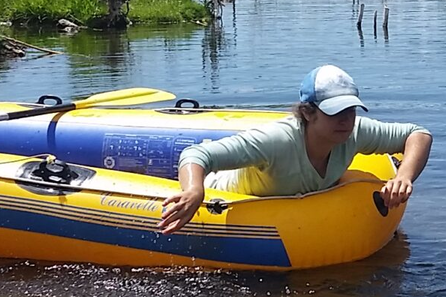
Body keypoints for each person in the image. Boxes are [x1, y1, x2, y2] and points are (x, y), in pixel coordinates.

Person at [159, 64, 431, 233]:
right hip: (227, 194)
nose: (346, 120)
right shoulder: (276, 140)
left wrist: (403, 177)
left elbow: (418, 134)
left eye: (351, 110)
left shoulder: (354, 132)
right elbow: (196, 154)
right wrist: (194, 190)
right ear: (308, 113)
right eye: (335, 112)